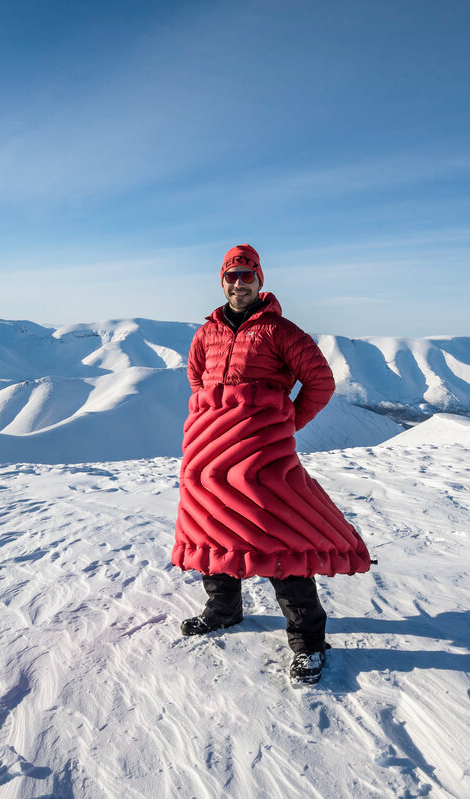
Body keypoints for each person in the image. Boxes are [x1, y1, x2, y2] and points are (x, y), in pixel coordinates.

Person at [173, 243, 372, 686]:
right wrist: (214, 423)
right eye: (232, 275)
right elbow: (197, 380)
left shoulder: (281, 331)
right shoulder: (205, 333)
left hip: (262, 455)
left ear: (260, 280)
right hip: (208, 455)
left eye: (247, 275)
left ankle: (308, 641)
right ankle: (223, 610)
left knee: (281, 536)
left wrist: (284, 421)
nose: (239, 282)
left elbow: (319, 380)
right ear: (222, 281)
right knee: (212, 527)